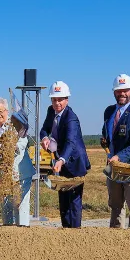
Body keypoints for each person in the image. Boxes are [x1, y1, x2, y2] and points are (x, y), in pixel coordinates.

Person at [40, 80, 90, 228]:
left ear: (67, 100)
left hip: (75, 163)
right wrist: (44, 138)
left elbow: (70, 143)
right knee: (63, 197)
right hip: (60, 162)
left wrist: (61, 160)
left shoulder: (71, 118)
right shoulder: (51, 111)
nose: (57, 103)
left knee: (73, 200)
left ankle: (74, 232)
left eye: (60, 99)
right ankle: (65, 230)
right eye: (54, 99)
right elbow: (44, 129)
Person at [101, 74, 130, 228]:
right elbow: (108, 134)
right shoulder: (109, 111)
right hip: (114, 170)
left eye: (125, 90)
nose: (121, 93)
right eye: (118, 90)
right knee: (115, 207)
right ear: (114, 92)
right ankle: (116, 244)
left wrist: (119, 156)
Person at [0, 97, 34, 226]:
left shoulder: (15, 125)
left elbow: (23, 143)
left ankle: (22, 233)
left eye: (0, 111)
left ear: (7, 111)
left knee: (20, 205)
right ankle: (7, 235)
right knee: (6, 207)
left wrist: (11, 148)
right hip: (3, 176)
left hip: (20, 173)